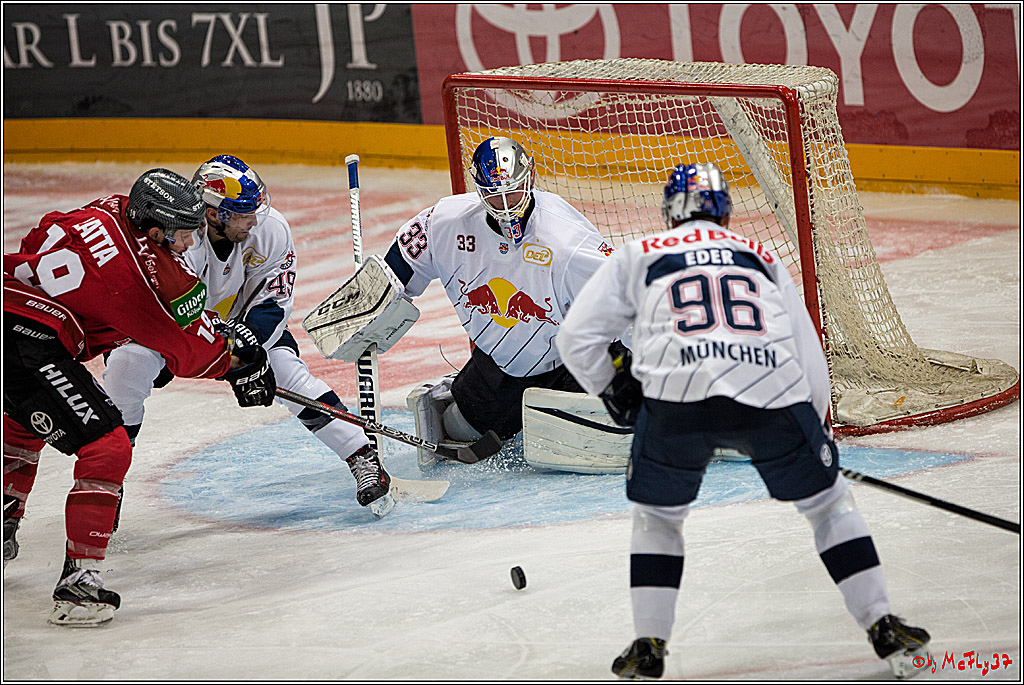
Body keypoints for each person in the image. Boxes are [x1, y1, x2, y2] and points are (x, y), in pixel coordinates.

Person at [555, 162, 931, 680]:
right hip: (769, 395)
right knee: (827, 505)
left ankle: (648, 649)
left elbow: (575, 339)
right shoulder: (760, 256)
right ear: (724, 211)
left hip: (675, 403)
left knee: (658, 520)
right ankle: (883, 627)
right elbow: (809, 356)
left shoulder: (638, 255)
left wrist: (619, 393)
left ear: (669, 212)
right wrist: (815, 431)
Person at [3, 169, 275, 626]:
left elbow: (42, 242)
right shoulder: (149, 279)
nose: (191, 244)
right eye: (186, 235)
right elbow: (189, 350)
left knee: (23, 422)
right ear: (156, 230)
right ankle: (79, 584)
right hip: (26, 338)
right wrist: (240, 365)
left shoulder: (110, 207)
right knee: (108, 445)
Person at [101, 155, 394, 518]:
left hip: (236, 320)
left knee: (287, 372)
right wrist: (223, 354)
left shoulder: (270, 230)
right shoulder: (178, 238)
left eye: (254, 209)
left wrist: (247, 347)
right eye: (241, 214)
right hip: (169, 326)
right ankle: (106, 481)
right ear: (212, 214)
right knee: (128, 365)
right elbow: (164, 313)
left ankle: (361, 455)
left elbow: (273, 301)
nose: (253, 220)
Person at [360, 136, 615, 464]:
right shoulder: (444, 224)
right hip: (504, 364)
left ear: (531, 179)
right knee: (456, 430)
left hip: (577, 358)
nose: (506, 205)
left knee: (602, 429)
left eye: (512, 192)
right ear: (479, 192)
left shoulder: (566, 240)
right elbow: (394, 274)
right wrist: (367, 307)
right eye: (495, 196)